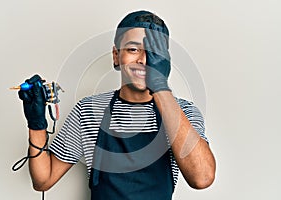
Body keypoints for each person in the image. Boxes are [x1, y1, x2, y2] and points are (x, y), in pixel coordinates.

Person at [18, 10, 216, 200]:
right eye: (133, 49)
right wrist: (36, 125)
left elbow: (202, 178)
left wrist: (160, 86)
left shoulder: (185, 113)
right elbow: (43, 181)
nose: (143, 59)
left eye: (155, 53)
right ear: (116, 56)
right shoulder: (88, 110)